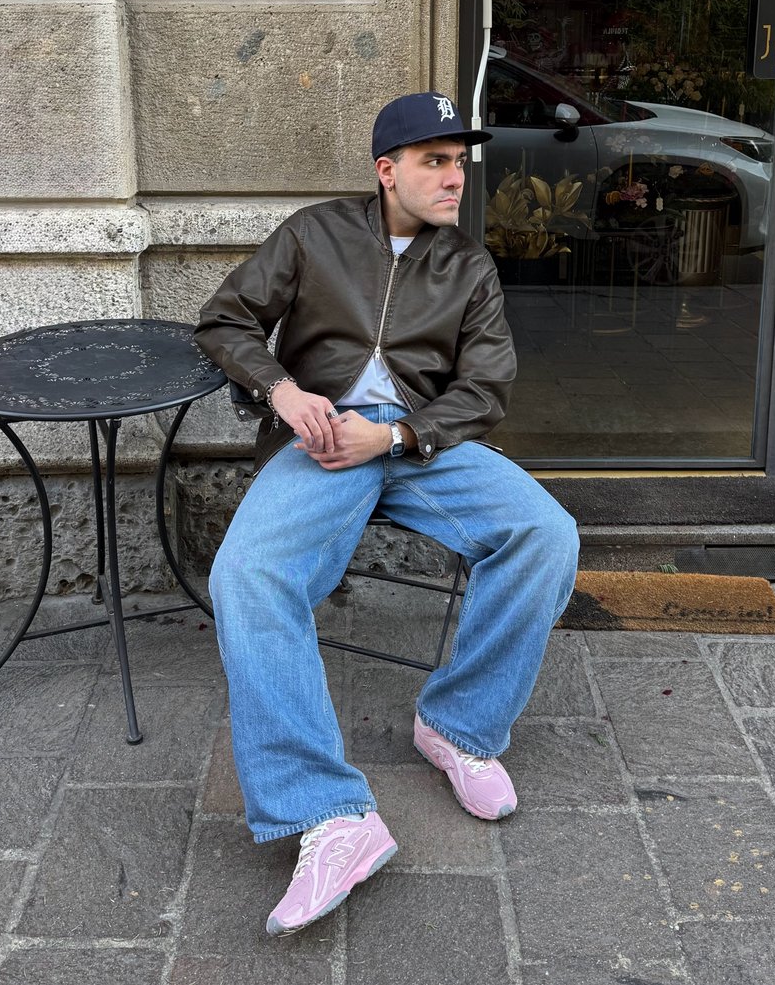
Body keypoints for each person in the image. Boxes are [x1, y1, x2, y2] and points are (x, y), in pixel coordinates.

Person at [194, 91, 579, 936]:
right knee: (247, 574)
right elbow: (225, 319)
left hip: (420, 446)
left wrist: (400, 432)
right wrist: (284, 391)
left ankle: (458, 727)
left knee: (545, 532)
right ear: (386, 170)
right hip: (323, 442)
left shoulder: (468, 266)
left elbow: (485, 389)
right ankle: (330, 814)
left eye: (459, 160)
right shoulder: (314, 235)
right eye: (436, 160)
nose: (455, 176)